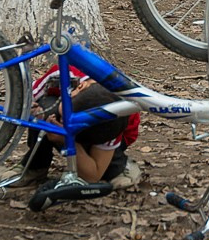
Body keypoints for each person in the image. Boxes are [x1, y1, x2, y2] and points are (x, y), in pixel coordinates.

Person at [19, 61, 141, 207]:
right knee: (45, 113)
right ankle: (35, 168)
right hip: (87, 115)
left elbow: (92, 177)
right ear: (79, 88)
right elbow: (24, 101)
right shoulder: (62, 74)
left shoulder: (113, 122)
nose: (66, 124)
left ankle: (119, 166)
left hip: (108, 134)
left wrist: (66, 139)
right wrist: (32, 112)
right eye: (66, 119)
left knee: (107, 173)